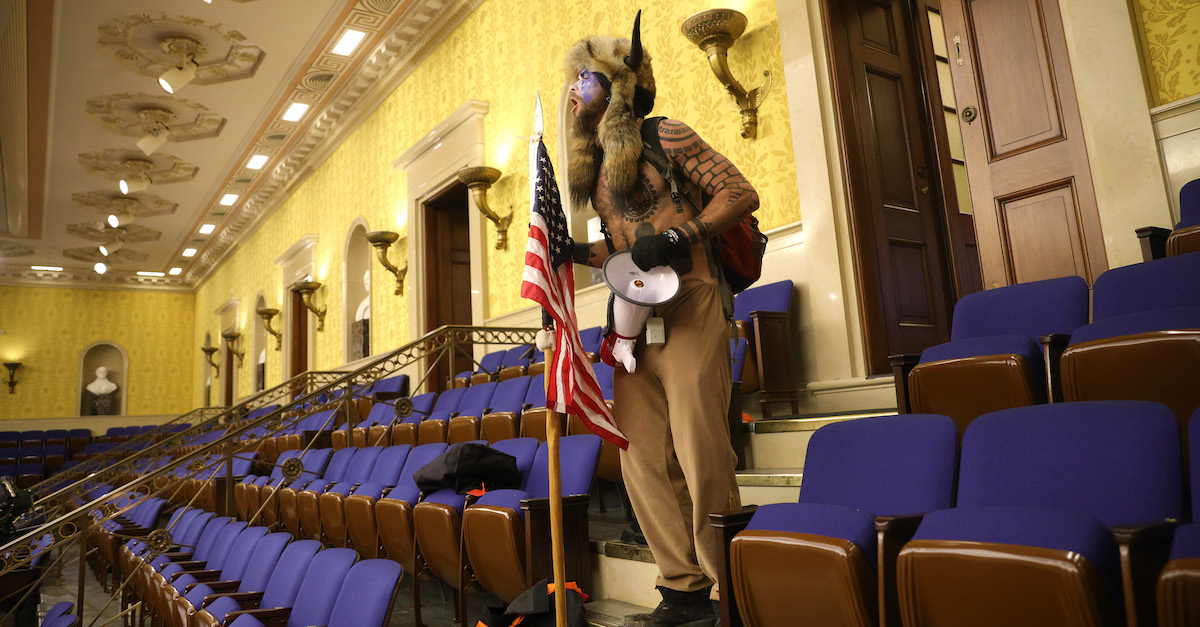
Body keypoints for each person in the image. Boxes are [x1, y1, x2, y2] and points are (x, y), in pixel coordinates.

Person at [563, 12, 759, 627]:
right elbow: (617, 246)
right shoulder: (596, 175)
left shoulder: (666, 136)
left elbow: (740, 192)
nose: (577, 94)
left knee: (702, 449)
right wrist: (573, 253)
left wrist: (684, 234)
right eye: (575, 85)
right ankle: (681, 586)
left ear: (618, 87)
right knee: (640, 455)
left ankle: (732, 587)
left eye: (588, 82)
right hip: (632, 319)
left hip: (694, 299)